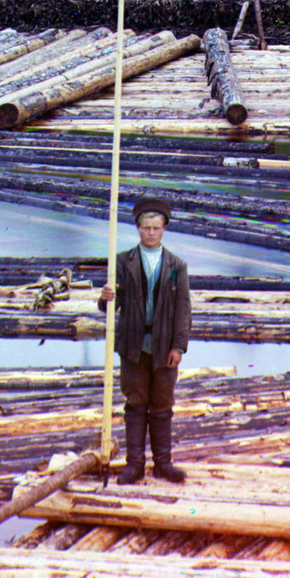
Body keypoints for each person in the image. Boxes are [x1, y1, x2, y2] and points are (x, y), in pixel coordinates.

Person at [99, 198, 191, 485]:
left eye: (156, 228)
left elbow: (183, 309)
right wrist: (105, 298)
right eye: (146, 228)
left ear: (164, 229)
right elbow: (110, 306)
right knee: (136, 403)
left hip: (164, 346)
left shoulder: (176, 265)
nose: (151, 233)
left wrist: (178, 346)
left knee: (162, 405)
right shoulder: (122, 262)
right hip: (132, 345)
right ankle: (134, 465)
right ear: (138, 229)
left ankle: (163, 464)